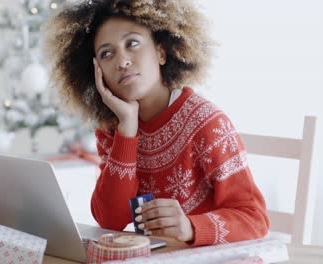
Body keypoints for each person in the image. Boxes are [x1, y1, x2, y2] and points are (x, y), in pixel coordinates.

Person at [43, 0, 269, 246]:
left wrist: (191, 227)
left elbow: (254, 218)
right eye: (107, 53)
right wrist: (127, 131)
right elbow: (110, 220)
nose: (122, 61)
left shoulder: (207, 123)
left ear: (161, 52)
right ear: (97, 72)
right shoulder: (112, 129)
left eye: (133, 44)